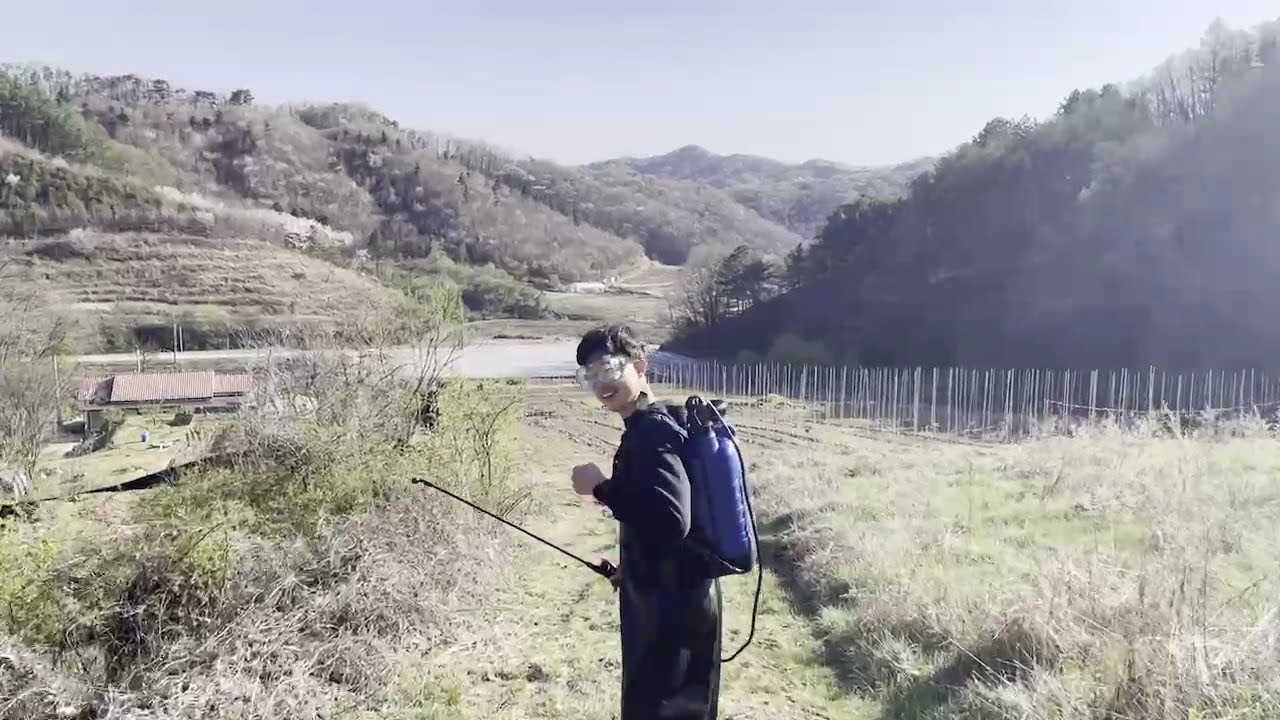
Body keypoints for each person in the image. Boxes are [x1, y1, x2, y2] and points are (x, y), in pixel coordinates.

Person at [569, 324, 723, 720]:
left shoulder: (653, 431)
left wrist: (600, 488)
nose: (600, 384)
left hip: (671, 613)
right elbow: (659, 517)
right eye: (590, 375)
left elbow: (671, 519)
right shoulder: (651, 425)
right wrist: (632, 568)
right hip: (671, 596)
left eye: (608, 368)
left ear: (640, 366)